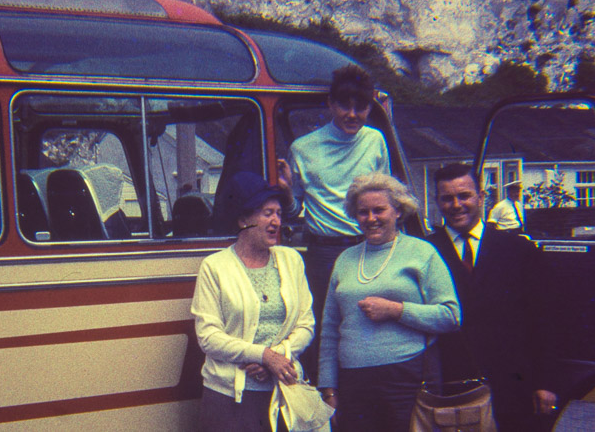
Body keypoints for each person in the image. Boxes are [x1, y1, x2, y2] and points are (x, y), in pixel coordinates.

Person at [317, 172, 460, 432]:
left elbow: (450, 316)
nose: (371, 218)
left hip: (407, 376)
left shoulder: (421, 252)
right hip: (353, 381)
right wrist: (329, 390)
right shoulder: (345, 259)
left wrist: (396, 310)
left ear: (397, 211)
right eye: (363, 212)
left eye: (379, 210)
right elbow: (329, 331)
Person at [425, 163, 558, 431]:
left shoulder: (518, 249)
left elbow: (544, 319)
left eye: (464, 195)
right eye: (447, 198)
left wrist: (546, 382)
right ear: (437, 202)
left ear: (482, 197)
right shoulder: (423, 251)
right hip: (451, 387)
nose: (457, 204)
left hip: (514, 387)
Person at [278, 65, 390, 380]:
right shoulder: (303, 148)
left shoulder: (376, 141)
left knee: (370, 326)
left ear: (370, 106)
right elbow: (292, 211)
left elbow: (385, 198)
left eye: (362, 107)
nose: (353, 114)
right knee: (325, 331)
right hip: (324, 253)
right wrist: (286, 193)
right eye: (345, 105)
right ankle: (326, 403)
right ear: (330, 104)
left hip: (369, 248)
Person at [191, 171, 316, 432]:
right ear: (243, 219)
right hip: (229, 398)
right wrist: (263, 355)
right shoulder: (214, 267)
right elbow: (208, 336)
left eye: (279, 214)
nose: (276, 221)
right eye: (267, 213)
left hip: (282, 389)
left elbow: (306, 324)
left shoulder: (291, 260)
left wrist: (277, 358)